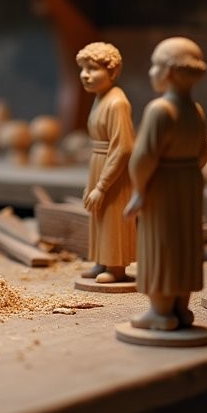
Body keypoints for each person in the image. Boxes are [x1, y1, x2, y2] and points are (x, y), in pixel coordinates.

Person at [124, 37, 207, 331]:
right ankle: (181, 310)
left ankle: (161, 313)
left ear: (169, 72)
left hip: (162, 184)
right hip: (188, 182)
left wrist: (138, 190)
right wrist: (188, 176)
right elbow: (202, 153)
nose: (151, 72)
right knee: (184, 244)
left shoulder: (161, 110)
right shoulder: (195, 110)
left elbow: (143, 157)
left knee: (160, 244)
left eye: (154, 65)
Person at [76, 42, 135, 284]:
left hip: (114, 168)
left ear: (112, 72)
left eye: (92, 69)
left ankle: (116, 267)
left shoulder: (117, 103)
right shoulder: (100, 98)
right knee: (99, 215)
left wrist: (101, 185)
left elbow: (123, 147)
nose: (85, 75)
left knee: (112, 215)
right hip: (98, 162)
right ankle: (101, 260)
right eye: (83, 68)